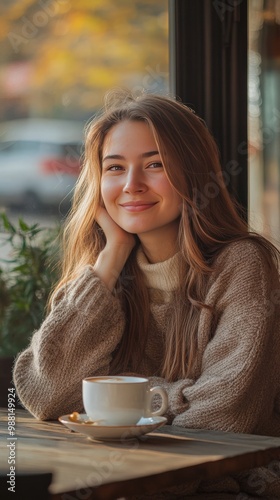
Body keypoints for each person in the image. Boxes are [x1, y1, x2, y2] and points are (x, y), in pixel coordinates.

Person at [13, 89, 280, 498]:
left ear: (193, 172)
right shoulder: (109, 275)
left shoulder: (243, 265)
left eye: (154, 164)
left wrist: (118, 409)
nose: (131, 185)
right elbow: (45, 395)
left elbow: (223, 415)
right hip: (122, 482)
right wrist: (112, 255)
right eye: (115, 167)